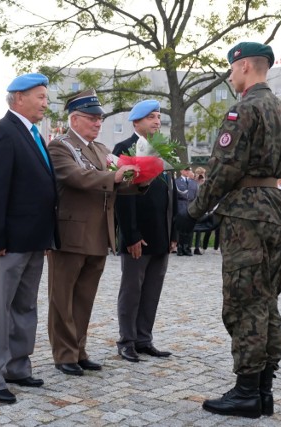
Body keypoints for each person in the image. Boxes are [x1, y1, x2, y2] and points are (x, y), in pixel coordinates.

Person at [179, 42, 281, 418]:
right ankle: (263, 389)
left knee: (244, 300)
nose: (230, 76)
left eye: (232, 69)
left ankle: (247, 391)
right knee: (266, 298)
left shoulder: (244, 109)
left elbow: (225, 167)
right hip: (274, 206)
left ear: (245, 66)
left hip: (246, 212)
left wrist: (195, 211)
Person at [46, 88, 142, 377]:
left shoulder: (100, 149)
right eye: (92, 118)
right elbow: (77, 177)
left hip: (99, 234)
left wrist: (141, 180)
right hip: (71, 233)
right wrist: (113, 176)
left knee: (85, 297)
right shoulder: (60, 146)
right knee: (62, 297)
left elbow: (117, 182)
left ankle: (78, 350)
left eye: (100, 118)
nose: (98, 123)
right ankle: (64, 354)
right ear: (74, 119)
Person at [0, 73, 59, 404]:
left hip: (34, 238)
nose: (45, 102)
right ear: (18, 98)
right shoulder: (3, 132)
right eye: (40, 96)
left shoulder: (33, 134)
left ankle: (17, 366)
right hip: (7, 242)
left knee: (24, 308)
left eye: (45, 96)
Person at [112, 100, 176, 363]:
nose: (157, 121)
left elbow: (171, 196)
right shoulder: (123, 149)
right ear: (136, 121)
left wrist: (173, 234)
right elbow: (123, 198)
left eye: (159, 117)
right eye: (151, 117)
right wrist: (131, 235)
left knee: (152, 290)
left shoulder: (162, 150)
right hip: (138, 235)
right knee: (132, 289)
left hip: (161, 233)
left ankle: (144, 338)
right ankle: (126, 340)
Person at [175, 167, 198, 256]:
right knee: (181, 229)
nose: (188, 172)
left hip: (191, 207)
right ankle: (180, 247)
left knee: (190, 229)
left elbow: (196, 196)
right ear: (181, 171)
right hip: (181, 207)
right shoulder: (177, 182)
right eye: (186, 170)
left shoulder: (194, 183)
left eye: (189, 170)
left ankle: (187, 247)